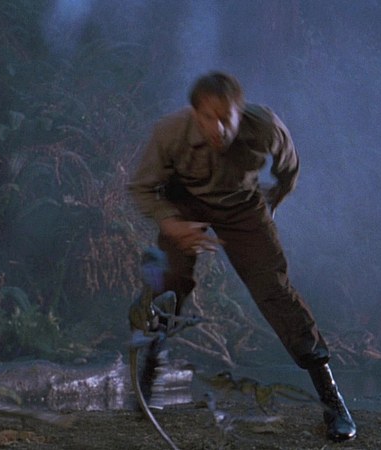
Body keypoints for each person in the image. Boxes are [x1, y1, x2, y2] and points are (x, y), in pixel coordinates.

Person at [127, 71, 356, 442]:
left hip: (242, 207)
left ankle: (332, 399)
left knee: (274, 291)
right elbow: (141, 187)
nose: (217, 128)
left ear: (241, 112)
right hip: (185, 205)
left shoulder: (265, 127)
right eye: (208, 118)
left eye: (226, 118)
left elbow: (289, 169)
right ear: (195, 113)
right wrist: (171, 224)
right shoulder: (170, 132)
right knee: (170, 284)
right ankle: (151, 370)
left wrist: (272, 203)